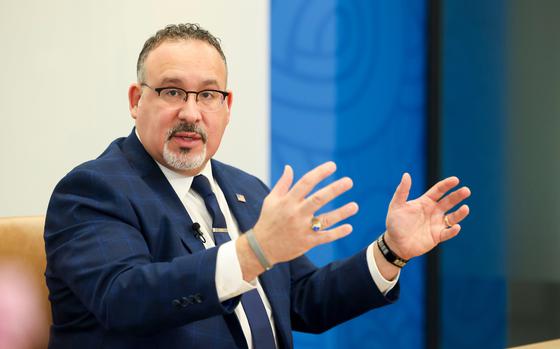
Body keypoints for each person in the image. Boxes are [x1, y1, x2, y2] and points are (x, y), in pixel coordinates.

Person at [44, 23, 471, 349]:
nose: (191, 113)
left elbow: (304, 300)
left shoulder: (245, 189)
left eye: (208, 95)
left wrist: (389, 252)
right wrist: (253, 253)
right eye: (173, 91)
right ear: (137, 101)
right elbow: (124, 299)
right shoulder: (92, 190)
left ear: (227, 107)